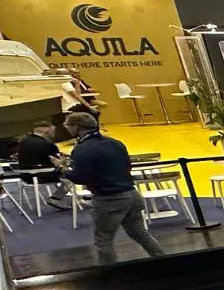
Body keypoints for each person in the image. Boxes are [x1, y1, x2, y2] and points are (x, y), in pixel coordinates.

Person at [62, 111, 165, 265]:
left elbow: (80, 178)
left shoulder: (81, 149)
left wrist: (62, 170)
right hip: (131, 194)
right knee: (141, 234)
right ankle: (164, 261)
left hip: (108, 199)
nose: (67, 129)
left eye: (68, 126)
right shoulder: (115, 143)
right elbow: (127, 166)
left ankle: (109, 274)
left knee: (104, 240)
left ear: (77, 126)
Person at [14, 120, 72, 210]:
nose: (54, 133)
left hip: (25, 176)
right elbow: (58, 162)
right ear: (46, 130)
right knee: (72, 176)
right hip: (41, 175)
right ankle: (56, 198)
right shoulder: (47, 144)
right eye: (53, 130)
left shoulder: (24, 141)